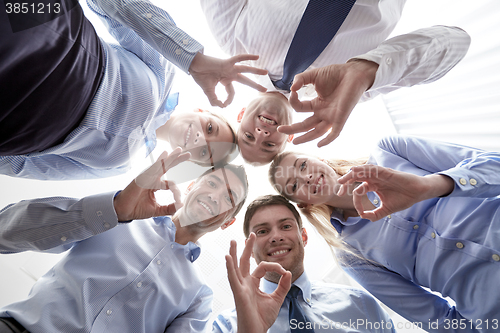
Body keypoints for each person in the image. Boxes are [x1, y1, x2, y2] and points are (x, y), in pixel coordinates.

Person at [0, 0, 268, 180]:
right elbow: (115, 4)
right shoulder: (164, 71)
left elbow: (24, 166)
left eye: (203, 153)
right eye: (210, 129)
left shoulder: (119, 167)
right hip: (57, 41)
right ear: (202, 112)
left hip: (18, 123)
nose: (199, 138)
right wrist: (193, 60)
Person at [0, 148, 249, 333]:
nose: (215, 196)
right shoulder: (115, 215)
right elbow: (5, 233)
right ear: (193, 185)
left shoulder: (199, 297)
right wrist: (115, 210)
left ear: (228, 222)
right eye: (212, 183)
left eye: (229, 198)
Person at [268, 135, 500, 333]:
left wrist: (430, 186)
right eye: (294, 186)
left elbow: (494, 165)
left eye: (302, 166)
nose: (306, 177)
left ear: (320, 159)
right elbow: (436, 319)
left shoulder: (388, 151)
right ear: (303, 203)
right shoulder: (351, 255)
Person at [200, 0, 471, 164]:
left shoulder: (231, 39)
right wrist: (366, 70)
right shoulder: (350, 93)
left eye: (248, 136)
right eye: (269, 145)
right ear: (290, 136)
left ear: (240, 114)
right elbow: (457, 42)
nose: (261, 134)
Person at [214, 194, 396, 333]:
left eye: (286, 226)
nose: (276, 237)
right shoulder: (227, 325)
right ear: (250, 248)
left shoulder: (359, 304)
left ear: (303, 236)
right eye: (262, 231)